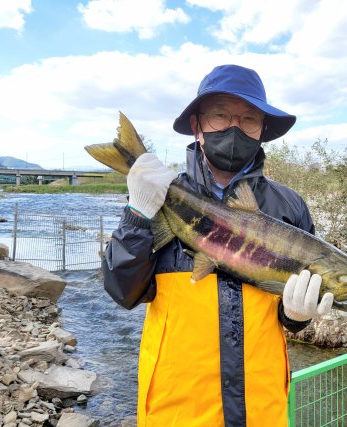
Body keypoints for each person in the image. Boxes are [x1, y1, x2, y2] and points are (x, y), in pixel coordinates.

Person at [103, 64, 334, 427]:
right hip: (176, 408)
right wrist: (136, 215)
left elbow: (286, 316)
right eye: (220, 115)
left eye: (248, 118)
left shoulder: (290, 207)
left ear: (262, 132)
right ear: (197, 125)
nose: (234, 127)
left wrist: (298, 316)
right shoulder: (158, 194)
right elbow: (123, 292)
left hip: (263, 408)